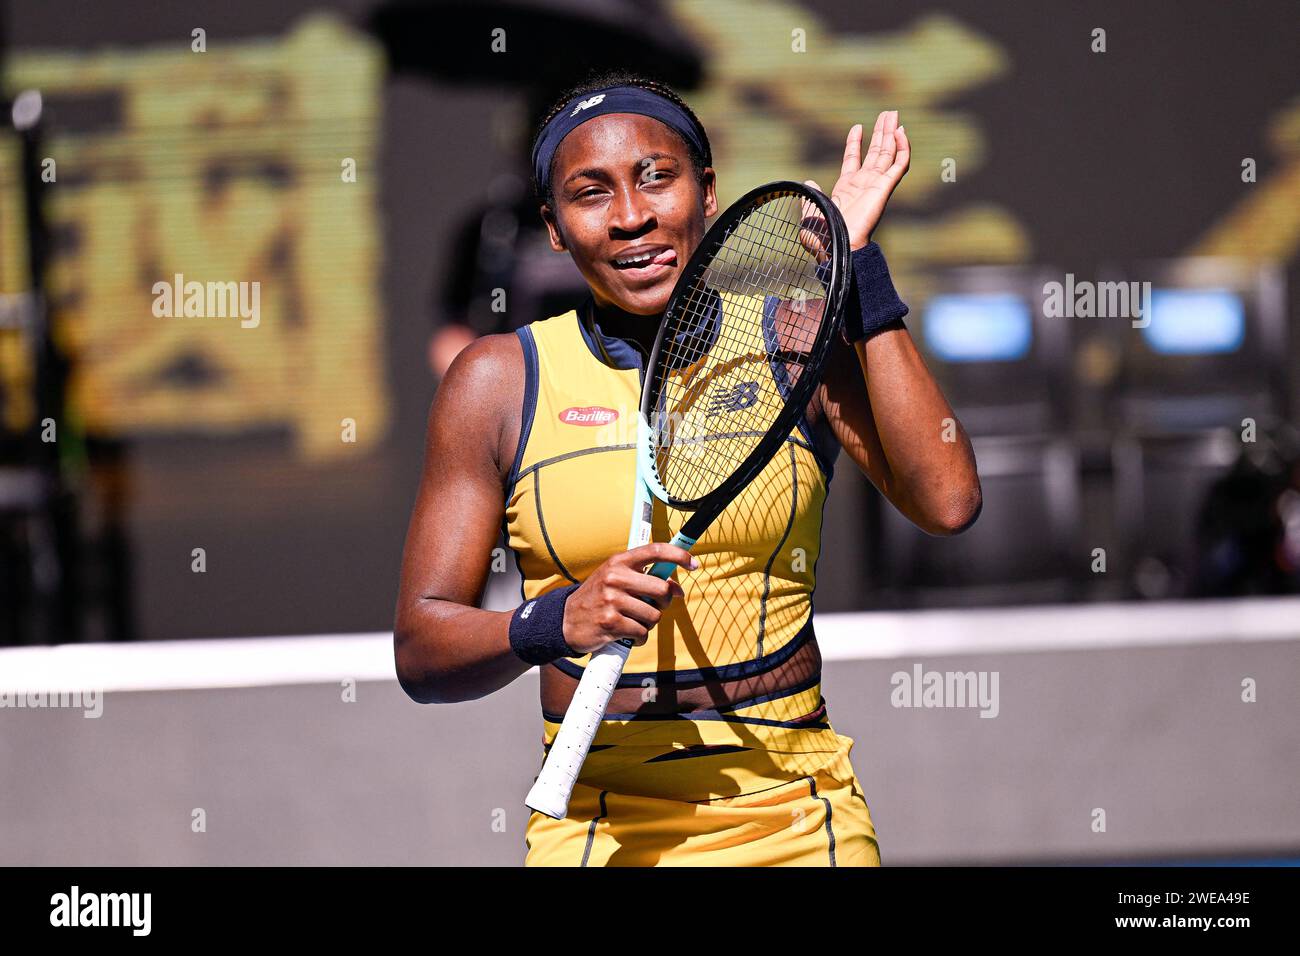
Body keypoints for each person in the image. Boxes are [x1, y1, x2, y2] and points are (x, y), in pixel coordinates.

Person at [394, 69, 981, 866]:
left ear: (707, 190)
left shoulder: (791, 344)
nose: (632, 217)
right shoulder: (496, 382)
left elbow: (947, 500)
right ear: (555, 228)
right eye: (590, 193)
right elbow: (423, 652)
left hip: (795, 812)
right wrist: (555, 621)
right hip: (594, 820)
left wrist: (860, 272)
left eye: (656, 178)